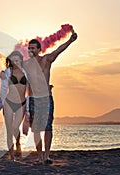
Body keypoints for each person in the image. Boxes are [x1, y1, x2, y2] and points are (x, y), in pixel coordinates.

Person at [24, 30, 78, 164]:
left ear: (38, 49)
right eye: (29, 48)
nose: (30, 50)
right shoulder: (26, 64)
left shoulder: (46, 60)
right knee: (36, 129)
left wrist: (70, 40)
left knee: (48, 127)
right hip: (33, 99)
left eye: (33, 48)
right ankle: (40, 156)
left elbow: (59, 50)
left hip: (46, 98)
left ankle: (47, 156)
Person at [0, 51, 27, 161]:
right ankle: (12, 156)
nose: (15, 63)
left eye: (17, 60)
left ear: (21, 60)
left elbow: (32, 87)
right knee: (9, 130)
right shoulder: (8, 72)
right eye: (13, 61)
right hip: (9, 103)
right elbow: (4, 89)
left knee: (15, 127)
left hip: (21, 104)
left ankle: (18, 141)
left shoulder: (26, 72)